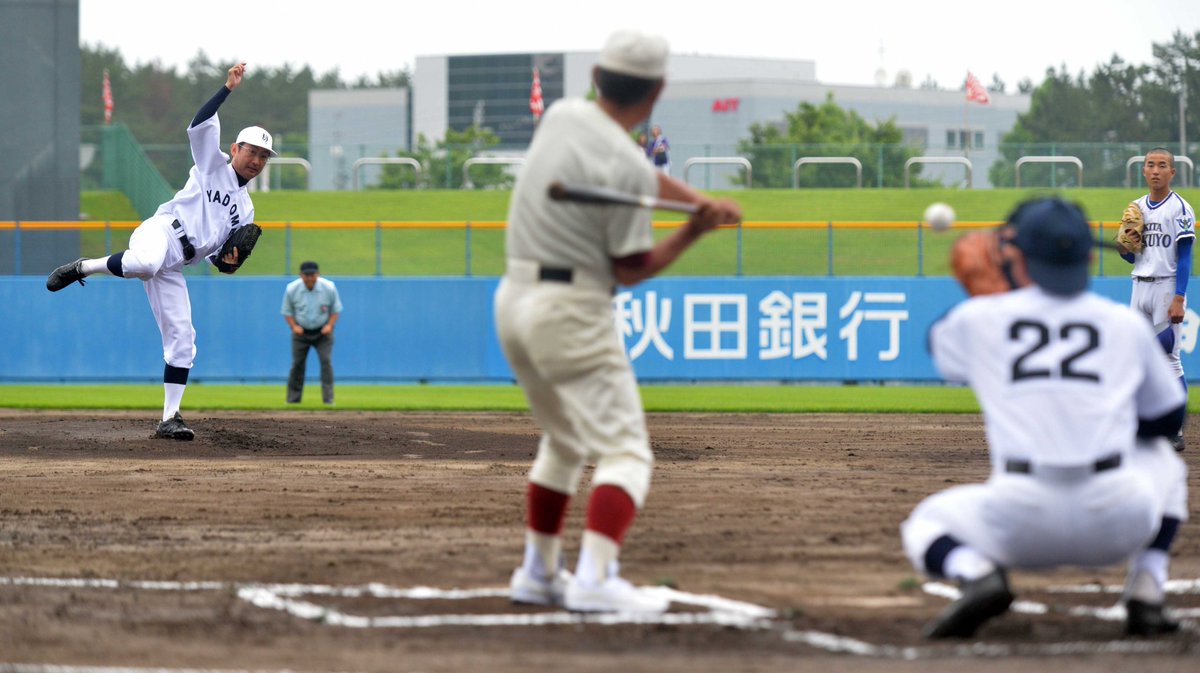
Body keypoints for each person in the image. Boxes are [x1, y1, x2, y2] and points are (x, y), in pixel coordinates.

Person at [494, 30, 741, 614]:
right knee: (627, 452)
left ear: (598, 78)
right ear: (656, 91)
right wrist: (694, 229)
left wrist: (694, 200)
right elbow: (631, 268)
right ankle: (596, 577)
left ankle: (538, 571)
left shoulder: (560, 116)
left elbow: (639, 176)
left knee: (566, 440)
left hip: (513, 301)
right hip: (572, 310)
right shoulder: (627, 168)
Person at [901, 197, 1189, 639]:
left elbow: (938, 346)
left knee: (925, 523)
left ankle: (979, 575)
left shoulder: (981, 318)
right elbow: (1168, 418)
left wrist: (991, 294)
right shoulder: (1121, 324)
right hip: (1115, 520)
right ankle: (1147, 594)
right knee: (1165, 463)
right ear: (1088, 256)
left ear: (1014, 255)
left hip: (1019, 523)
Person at [45, 63, 273, 440]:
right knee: (146, 262)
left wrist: (228, 263)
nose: (258, 160)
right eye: (253, 151)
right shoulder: (211, 163)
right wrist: (226, 89)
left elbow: (218, 257)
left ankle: (170, 417)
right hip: (163, 232)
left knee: (183, 339)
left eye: (265, 156)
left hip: (179, 264)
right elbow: (199, 124)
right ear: (235, 149)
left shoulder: (246, 210)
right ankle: (83, 267)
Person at [1112, 148, 1196, 452]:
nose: (1156, 170)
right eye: (1151, 165)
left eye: (1163, 165)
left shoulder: (1180, 208)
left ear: (1172, 173)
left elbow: (1185, 256)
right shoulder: (1136, 207)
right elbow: (1131, 256)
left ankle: (1175, 430)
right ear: (1144, 172)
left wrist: (1179, 297)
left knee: (1170, 359)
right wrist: (1123, 248)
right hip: (1140, 285)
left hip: (1166, 287)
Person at [282, 260, 342, 405]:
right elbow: (287, 312)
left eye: (312, 274)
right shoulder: (292, 289)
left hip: (323, 332)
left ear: (318, 274)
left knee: (326, 362)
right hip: (301, 332)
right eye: (306, 275)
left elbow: (336, 310)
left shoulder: (329, 287)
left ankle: (328, 400)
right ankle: (293, 400)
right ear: (301, 275)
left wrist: (329, 325)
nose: (310, 278)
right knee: (297, 364)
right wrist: (294, 327)